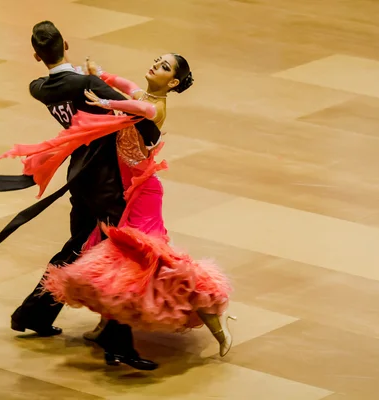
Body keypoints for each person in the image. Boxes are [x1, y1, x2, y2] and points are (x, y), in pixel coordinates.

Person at [0, 20, 157, 370]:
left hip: (79, 173)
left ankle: (34, 313)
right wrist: (150, 136)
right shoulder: (86, 83)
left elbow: (53, 81)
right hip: (104, 175)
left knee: (76, 246)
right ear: (67, 44)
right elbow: (138, 116)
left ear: (36, 55)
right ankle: (117, 341)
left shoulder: (40, 87)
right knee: (122, 251)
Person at [39, 54, 236, 357]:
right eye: (158, 60)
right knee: (119, 259)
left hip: (145, 192)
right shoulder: (142, 94)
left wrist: (106, 103)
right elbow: (126, 85)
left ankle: (218, 327)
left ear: (172, 83)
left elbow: (139, 108)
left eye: (165, 67)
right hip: (128, 189)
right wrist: (100, 74)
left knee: (158, 262)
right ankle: (107, 326)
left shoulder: (155, 107)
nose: (156, 65)